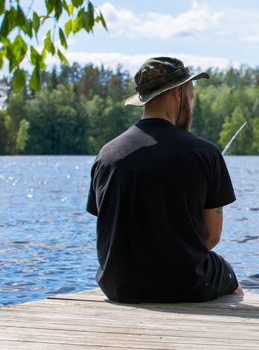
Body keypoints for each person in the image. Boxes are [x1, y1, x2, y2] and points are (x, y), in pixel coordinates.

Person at [86, 57, 242, 303]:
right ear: (179, 92)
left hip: (118, 286)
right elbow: (211, 237)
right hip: (184, 284)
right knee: (230, 278)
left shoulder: (106, 155)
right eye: (191, 90)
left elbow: (107, 228)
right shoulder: (206, 154)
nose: (192, 97)